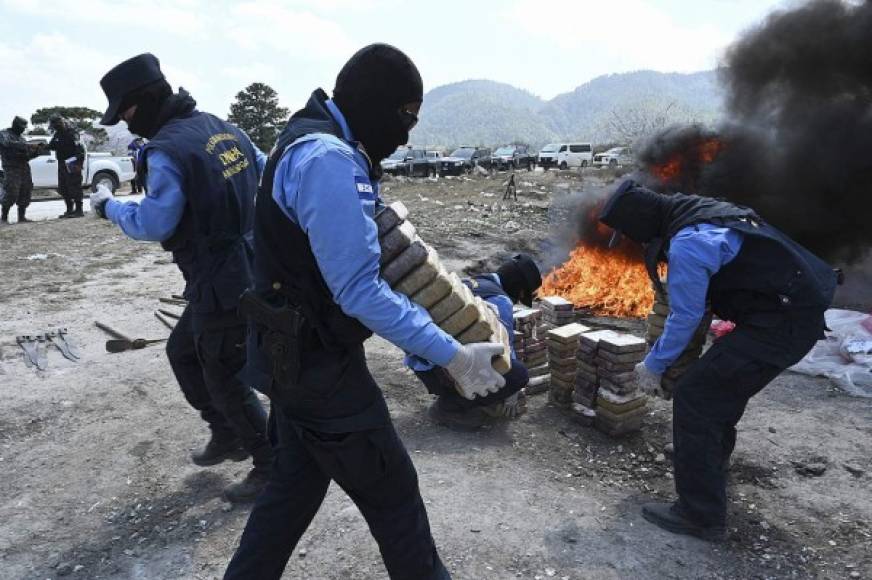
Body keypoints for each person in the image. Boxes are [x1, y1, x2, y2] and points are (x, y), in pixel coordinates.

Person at [223, 44, 506, 580]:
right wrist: (454, 356)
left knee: (290, 492)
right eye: (405, 120)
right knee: (395, 500)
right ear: (378, 105)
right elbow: (359, 290)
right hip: (321, 372)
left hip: (289, 359)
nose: (404, 139)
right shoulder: (329, 160)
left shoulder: (307, 140)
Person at [599, 180, 837, 542]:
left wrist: (654, 365)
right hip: (788, 312)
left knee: (697, 396)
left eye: (633, 234)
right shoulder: (697, 212)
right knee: (717, 391)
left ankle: (700, 515)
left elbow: (686, 315)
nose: (639, 242)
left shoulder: (689, 244)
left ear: (643, 223)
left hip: (781, 323)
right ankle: (711, 463)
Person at [92, 53, 273, 503]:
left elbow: (153, 224)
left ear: (145, 100)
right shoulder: (220, 126)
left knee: (224, 373)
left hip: (222, 278)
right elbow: (264, 168)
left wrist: (107, 205)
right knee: (183, 352)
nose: (129, 126)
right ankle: (226, 432)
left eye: (127, 114)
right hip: (249, 264)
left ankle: (272, 464)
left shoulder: (167, 150)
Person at [408, 254, 541, 430]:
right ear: (518, 287)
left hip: (423, 364)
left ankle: (455, 393)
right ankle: (449, 407)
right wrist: (512, 392)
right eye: (521, 295)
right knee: (517, 375)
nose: (517, 300)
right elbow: (505, 354)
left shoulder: (467, 282)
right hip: (443, 371)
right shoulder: (500, 301)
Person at [0, 116, 42, 225]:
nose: (23, 129)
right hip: (11, 168)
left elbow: (26, 156)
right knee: (11, 192)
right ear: (15, 125)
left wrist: (36, 152)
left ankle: (22, 217)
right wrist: (27, 145)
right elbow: (7, 144)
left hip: (23, 167)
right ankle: (4, 218)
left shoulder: (22, 138)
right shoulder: (4, 134)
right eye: (21, 127)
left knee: (25, 191)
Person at [48, 114, 86, 218]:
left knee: (75, 186)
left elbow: (80, 148)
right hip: (61, 163)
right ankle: (69, 210)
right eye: (53, 125)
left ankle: (79, 210)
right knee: (63, 187)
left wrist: (79, 163)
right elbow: (51, 146)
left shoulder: (72, 133)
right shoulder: (57, 134)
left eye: (56, 124)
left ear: (61, 122)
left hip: (72, 162)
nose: (55, 126)